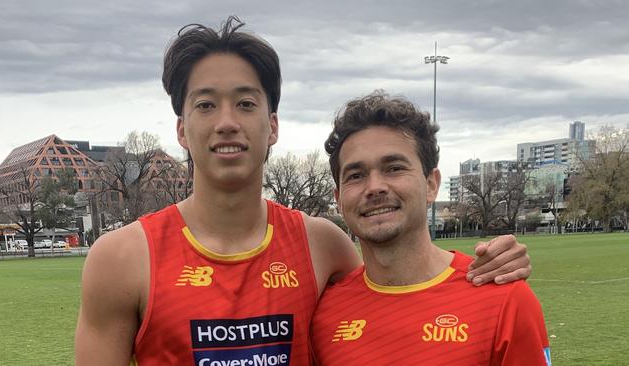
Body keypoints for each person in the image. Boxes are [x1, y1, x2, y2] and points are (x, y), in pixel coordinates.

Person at [75, 17, 532, 365]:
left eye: (246, 102)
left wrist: (489, 269)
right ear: (181, 128)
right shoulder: (122, 258)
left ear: (272, 126)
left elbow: (397, 291)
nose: (227, 121)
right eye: (206, 104)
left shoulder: (323, 245)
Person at [311, 91, 551, 365]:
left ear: (431, 184)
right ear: (339, 198)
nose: (374, 187)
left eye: (394, 168)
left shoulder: (504, 300)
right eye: (356, 175)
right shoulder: (324, 315)